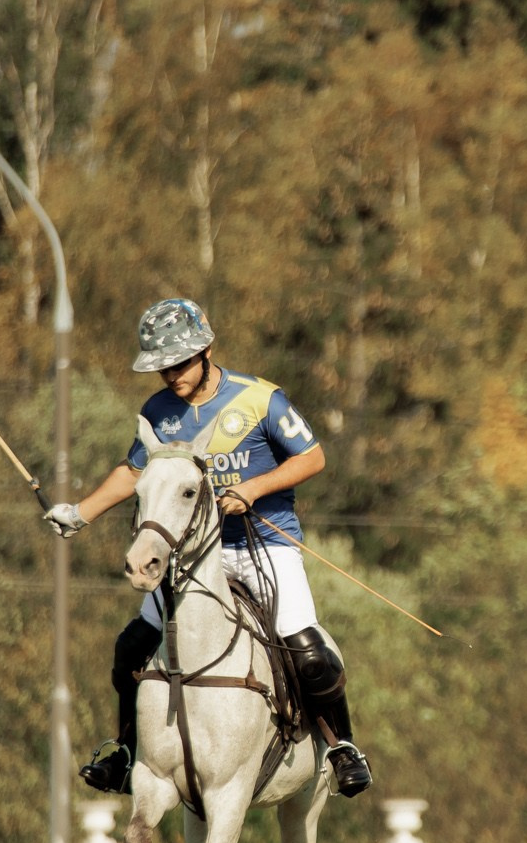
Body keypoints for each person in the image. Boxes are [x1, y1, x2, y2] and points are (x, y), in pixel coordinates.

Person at [43, 297, 373, 799]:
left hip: (266, 542)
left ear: (207, 350)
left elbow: (312, 457)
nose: (171, 375)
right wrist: (80, 513)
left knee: (307, 650)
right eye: (161, 367)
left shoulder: (261, 399)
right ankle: (126, 752)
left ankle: (344, 746)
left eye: (178, 363)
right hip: (195, 556)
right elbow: (133, 472)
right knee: (132, 645)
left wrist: (254, 489)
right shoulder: (157, 412)